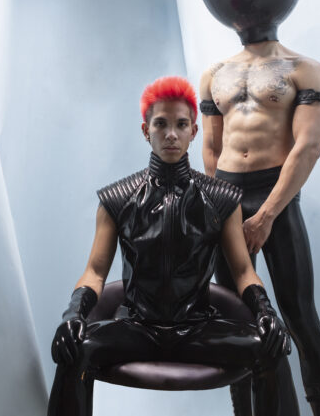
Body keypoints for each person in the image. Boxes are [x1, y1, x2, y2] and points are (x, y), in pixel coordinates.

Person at [48, 76, 293, 416]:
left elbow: (242, 270)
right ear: (146, 131)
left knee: (271, 348)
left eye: (180, 125)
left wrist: (266, 312)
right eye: (161, 124)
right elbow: (95, 272)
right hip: (136, 327)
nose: (171, 134)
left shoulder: (221, 199)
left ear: (194, 131)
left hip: (199, 328)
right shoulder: (117, 199)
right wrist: (73, 314)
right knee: (73, 349)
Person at [198, 0, 320, 416]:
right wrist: (217, 210)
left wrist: (267, 215)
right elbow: (211, 149)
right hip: (226, 200)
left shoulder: (305, 69)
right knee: (236, 324)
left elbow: (307, 148)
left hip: (274, 197)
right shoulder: (213, 75)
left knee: (300, 318)